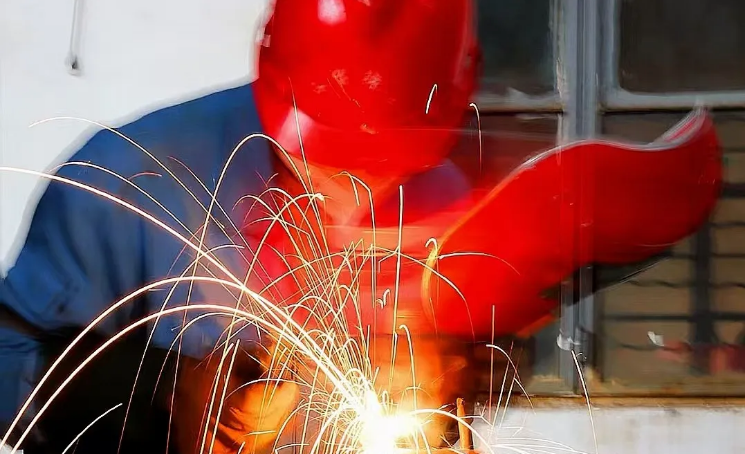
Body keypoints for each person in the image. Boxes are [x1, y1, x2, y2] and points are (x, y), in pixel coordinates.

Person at [0, 2, 481, 453]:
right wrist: (162, 394)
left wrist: (447, 378)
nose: (354, 189)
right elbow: (9, 360)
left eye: (387, 163)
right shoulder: (128, 179)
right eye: (328, 157)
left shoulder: (447, 197)